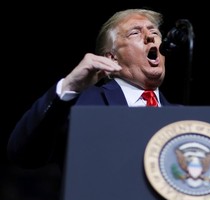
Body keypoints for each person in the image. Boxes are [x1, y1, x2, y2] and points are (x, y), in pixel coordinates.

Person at [7, 8, 177, 171]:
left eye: (154, 32)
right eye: (135, 33)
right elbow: (23, 153)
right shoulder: (82, 102)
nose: (150, 37)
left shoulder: (182, 119)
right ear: (112, 58)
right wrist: (69, 86)